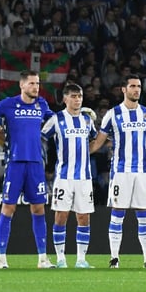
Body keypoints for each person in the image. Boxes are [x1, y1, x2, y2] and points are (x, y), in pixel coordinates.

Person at [93, 76, 146, 268]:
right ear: (124, 90)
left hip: (142, 172)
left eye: (139, 86)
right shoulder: (113, 114)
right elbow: (99, 142)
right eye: (133, 86)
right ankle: (114, 258)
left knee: (144, 214)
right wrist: (78, 152)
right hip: (120, 172)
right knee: (118, 213)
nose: (137, 89)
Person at [0, 71, 55, 269]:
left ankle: (43, 258)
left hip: (36, 163)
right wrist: (0, 136)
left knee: (38, 209)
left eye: (37, 83)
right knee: (8, 208)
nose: (36, 87)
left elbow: (56, 122)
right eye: (32, 83)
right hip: (15, 163)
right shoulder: (8, 104)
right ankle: (2, 259)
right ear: (22, 86)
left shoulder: (42, 104)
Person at [42, 83, 98, 268]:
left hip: (84, 177)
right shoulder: (57, 119)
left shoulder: (87, 120)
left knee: (84, 217)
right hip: (63, 177)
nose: (77, 100)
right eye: (73, 96)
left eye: (79, 96)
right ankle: (61, 258)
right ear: (65, 99)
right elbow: (42, 139)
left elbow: (94, 141)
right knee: (61, 216)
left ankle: (81, 259)